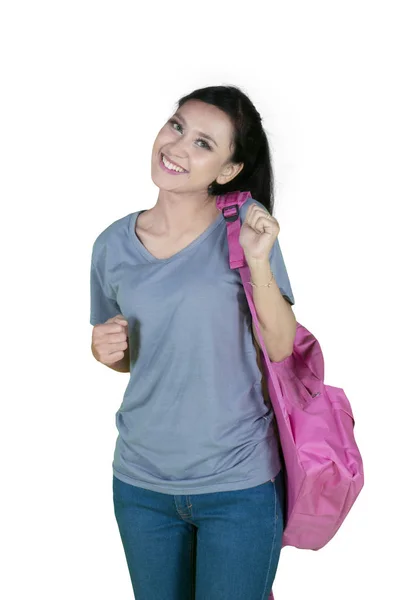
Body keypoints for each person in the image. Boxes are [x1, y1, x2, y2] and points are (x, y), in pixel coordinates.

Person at [90, 85, 296, 600]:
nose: (177, 146)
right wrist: (106, 351)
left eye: (204, 143)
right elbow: (136, 357)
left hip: (238, 483)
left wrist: (256, 259)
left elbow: (280, 346)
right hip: (141, 483)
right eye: (177, 126)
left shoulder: (245, 230)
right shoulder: (112, 244)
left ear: (228, 170)